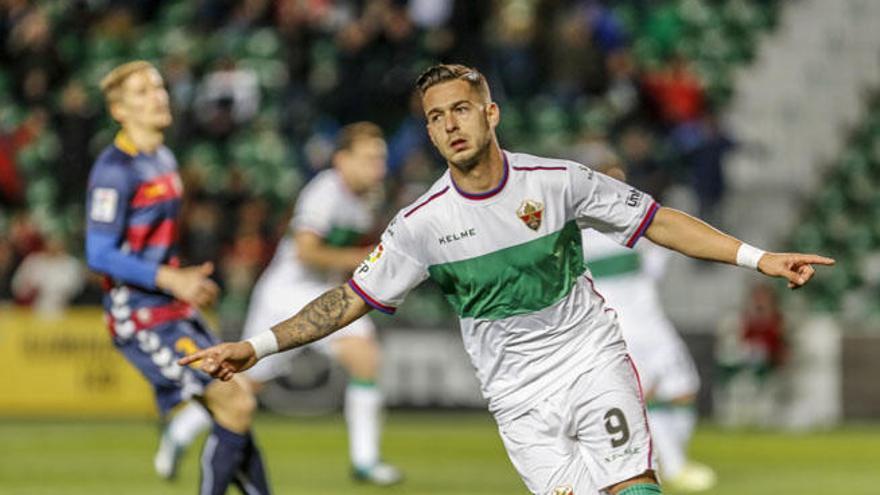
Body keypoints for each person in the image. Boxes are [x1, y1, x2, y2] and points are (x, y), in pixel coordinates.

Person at [181, 64, 834, 495]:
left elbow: (656, 221)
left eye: (460, 109)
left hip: (590, 358)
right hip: (516, 397)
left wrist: (758, 257)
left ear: (490, 113)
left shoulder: (558, 182)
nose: (449, 125)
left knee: (634, 486)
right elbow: (351, 297)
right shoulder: (420, 225)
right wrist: (257, 345)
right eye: (435, 117)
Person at [159, 122, 403, 485]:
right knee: (244, 384)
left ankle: (365, 460)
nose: (378, 166)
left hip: (323, 292)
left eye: (380, 158)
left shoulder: (367, 197)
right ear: (342, 159)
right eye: (369, 157)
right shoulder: (325, 192)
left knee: (363, 358)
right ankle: (181, 429)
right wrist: (362, 257)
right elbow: (306, 252)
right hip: (287, 292)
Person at [85, 61, 271, 494]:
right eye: (143, 91)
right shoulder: (115, 169)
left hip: (171, 306)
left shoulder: (163, 158)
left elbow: (154, 244)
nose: (158, 96)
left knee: (237, 404)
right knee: (235, 401)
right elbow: (98, 252)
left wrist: (184, 280)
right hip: (139, 314)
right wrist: (170, 279)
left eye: (159, 87)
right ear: (118, 109)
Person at [582, 161, 715, 492]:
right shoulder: (582, 234)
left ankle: (671, 459)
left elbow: (660, 257)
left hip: (653, 323)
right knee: (644, 395)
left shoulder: (634, 225)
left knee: (684, 387)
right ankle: (673, 466)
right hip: (618, 327)